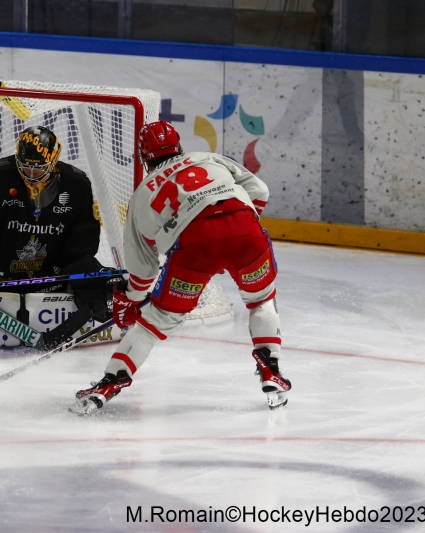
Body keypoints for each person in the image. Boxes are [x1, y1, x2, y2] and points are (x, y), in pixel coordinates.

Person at [71, 120, 290, 414]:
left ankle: (110, 382)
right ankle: (271, 371)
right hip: (246, 235)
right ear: (178, 146)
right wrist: (236, 234)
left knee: (154, 321)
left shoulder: (141, 196)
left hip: (194, 252)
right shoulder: (206, 158)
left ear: (144, 156)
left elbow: (143, 269)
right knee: (261, 299)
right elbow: (259, 190)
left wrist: (131, 298)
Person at [0, 125, 117, 348]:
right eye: (26, 167)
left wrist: (84, 275)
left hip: (49, 282)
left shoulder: (77, 185)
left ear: (54, 160)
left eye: (39, 169)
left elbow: (83, 244)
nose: (31, 175)